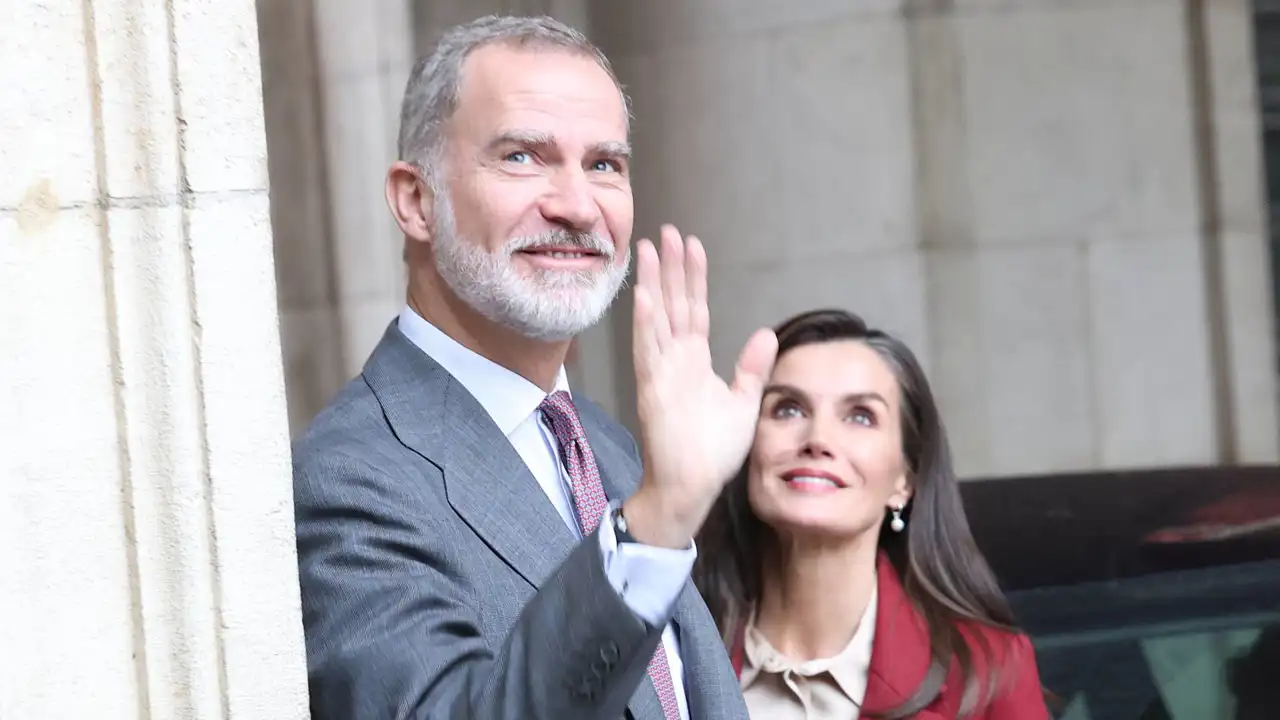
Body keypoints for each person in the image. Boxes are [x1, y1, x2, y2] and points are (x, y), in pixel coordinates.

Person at [292, 14, 773, 720]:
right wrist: (657, 522)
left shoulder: (607, 448)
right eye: (522, 156)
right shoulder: (348, 480)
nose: (578, 205)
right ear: (416, 200)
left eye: (604, 164)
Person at [692, 309, 1051, 719]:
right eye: (788, 409)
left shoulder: (987, 670)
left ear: (905, 480)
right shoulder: (671, 648)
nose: (818, 439)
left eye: (860, 416)